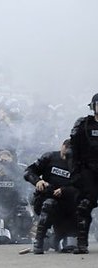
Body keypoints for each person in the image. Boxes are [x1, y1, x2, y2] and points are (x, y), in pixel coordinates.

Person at [24, 139, 78, 254]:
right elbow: (28, 172)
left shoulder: (78, 164)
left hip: (67, 206)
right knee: (49, 204)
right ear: (62, 146)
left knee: (68, 245)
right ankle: (38, 241)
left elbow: (83, 186)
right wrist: (37, 181)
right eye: (66, 148)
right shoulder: (49, 157)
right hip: (46, 200)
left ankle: (56, 237)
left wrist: (65, 190)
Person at [68, 93, 98, 254]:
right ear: (93, 106)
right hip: (88, 172)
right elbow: (73, 150)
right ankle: (82, 243)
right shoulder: (83, 124)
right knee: (84, 206)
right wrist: (75, 173)